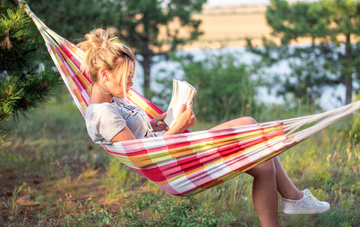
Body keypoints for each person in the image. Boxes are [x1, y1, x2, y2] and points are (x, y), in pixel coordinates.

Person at [79, 28, 330, 227]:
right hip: (172, 164)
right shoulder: (103, 114)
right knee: (258, 148)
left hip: (175, 148)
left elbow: (140, 135)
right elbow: (142, 156)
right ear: (104, 75)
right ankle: (294, 198)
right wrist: (176, 128)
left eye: (132, 76)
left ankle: (293, 198)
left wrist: (158, 122)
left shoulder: (114, 99)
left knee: (256, 140)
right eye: (127, 77)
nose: (132, 84)